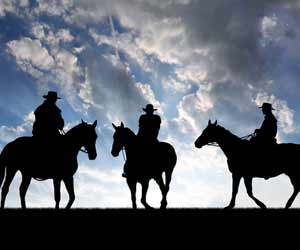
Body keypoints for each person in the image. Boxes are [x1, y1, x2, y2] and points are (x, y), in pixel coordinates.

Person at [122, 104, 161, 178]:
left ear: (152, 111)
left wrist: (152, 136)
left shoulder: (157, 118)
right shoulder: (142, 117)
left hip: (152, 137)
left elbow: (157, 128)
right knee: (131, 150)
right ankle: (128, 170)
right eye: (148, 111)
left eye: (150, 111)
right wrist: (137, 137)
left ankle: (155, 168)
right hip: (141, 136)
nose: (149, 112)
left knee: (156, 150)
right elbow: (140, 128)